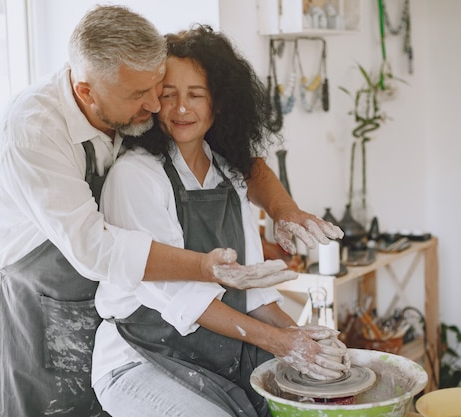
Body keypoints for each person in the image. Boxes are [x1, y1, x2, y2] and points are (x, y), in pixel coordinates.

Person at [0, 5, 343, 417]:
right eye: (148, 95)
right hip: (44, 302)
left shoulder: (196, 151)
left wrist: (286, 211)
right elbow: (97, 251)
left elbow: (246, 167)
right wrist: (210, 270)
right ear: (87, 92)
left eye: (162, 88)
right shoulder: (35, 134)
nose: (158, 106)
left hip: (120, 305)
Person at [93, 25, 348, 417]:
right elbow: (184, 298)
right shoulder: (136, 176)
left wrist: (302, 337)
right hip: (139, 359)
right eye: (168, 95)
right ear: (151, 102)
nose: (181, 109)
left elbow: (253, 288)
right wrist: (280, 342)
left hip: (212, 356)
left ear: (220, 102)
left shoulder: (226, 173)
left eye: (196, 95)